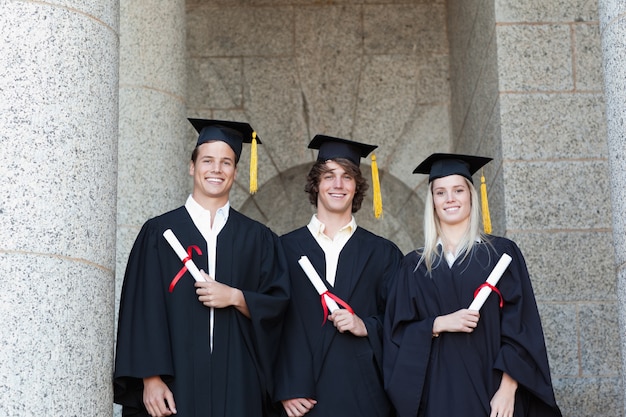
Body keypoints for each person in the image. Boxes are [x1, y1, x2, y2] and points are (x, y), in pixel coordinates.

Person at [113, 119, 290, 417]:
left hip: (237, 385)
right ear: (192, 167)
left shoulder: (259, 239)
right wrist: (151, 379)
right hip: (174, 385)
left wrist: (235, 297)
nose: (216, 170)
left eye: (226, 162)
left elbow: (279, 306)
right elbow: (141, 309)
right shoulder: (158, 233)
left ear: (235, 172)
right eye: (208, 160)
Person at [383, 153, 562, 417]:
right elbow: (396, 334)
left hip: (492, 392)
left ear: (471, 195)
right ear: (432, 201)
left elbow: (521, 327)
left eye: (458, 190)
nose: (450, 199)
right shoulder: (415, 266)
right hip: (438, 396)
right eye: (440, 192)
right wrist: (438, 324)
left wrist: (507, 390)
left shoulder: (501, 254)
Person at [274, 135, 403, 417]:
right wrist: (283, 387)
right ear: (316, 184)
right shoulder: (283, 249)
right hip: (301, 399)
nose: (338, 184)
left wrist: (365, 325)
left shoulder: (383, 253)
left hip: (364, 397)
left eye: (347, 176)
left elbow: (401, 323)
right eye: (329, 176)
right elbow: (269, 324)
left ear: (356, 186)